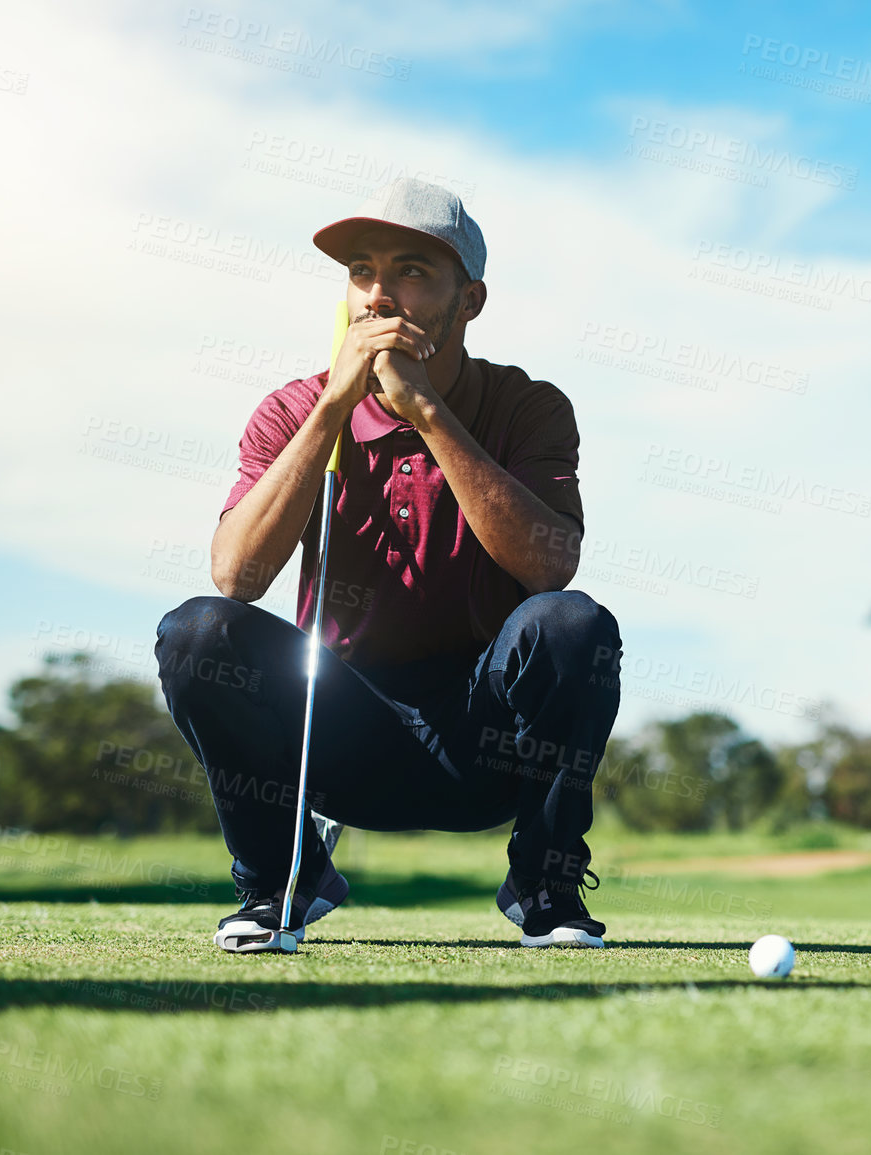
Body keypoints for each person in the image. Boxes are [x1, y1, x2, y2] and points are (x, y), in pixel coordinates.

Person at [154, 177, 621, 951]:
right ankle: (282, 879)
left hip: (490, 739)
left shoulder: (527, 405)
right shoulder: (292, 406)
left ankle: (545, 884)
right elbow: (235, 580)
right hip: (337, 739)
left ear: (468, 301)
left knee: (571, 625)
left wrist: (426, 414)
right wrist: (333, 407)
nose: (377, 294)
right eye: (360, 271)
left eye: (410, 270)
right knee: (197, 632)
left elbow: (549, 571)